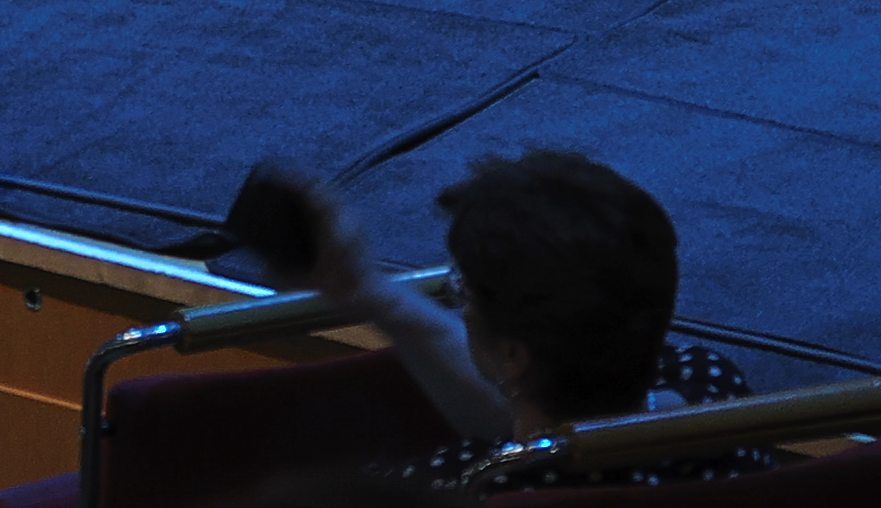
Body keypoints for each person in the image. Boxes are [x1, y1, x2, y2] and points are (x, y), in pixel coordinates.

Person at [252, 146, 743, 487]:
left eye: (461, 290)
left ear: (511, 355)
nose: (457, 297)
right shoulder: (718, 399)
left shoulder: (466, 484)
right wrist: (369, 292)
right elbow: (536, 411)